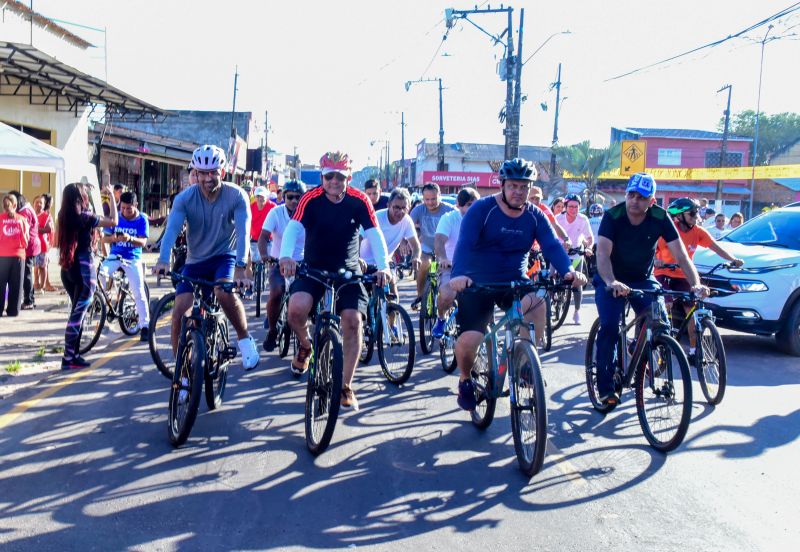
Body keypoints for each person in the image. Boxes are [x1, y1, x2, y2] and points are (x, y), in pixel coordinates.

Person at [449, 158, 586, 411]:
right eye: (513, 186)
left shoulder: (535, 216)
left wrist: (568, 271)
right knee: (470, 340)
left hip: (514, 281)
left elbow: (552, 245)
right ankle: (465, 378)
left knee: (537, 302)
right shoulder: (482, 209)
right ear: (502, 185)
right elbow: (464, 244)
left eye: (524, 187)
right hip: (477, 282)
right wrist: (458, 274)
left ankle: (525, 364)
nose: (518, 192)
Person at [279, 151, 391, 410]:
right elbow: (294, 228)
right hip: (314, 268)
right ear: (322, 176)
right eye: (329, 176)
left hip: (348, 271)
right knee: (295, 310)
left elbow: (375, 235)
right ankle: (306, 347)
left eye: (339, 177)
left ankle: (345, 385)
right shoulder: (310, 198)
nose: (333, 181)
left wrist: (384, 267)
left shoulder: (359, 200)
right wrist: (286, 257)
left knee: (352, 322)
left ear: (348, 177)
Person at [594, 173, 709, 406]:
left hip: (643, 279)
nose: (635, 201)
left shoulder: (660, 217)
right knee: (609, 325)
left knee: (661, 322)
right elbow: (602, 254)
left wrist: (695, 283)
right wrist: (611, 281)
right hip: (611, 277)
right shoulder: (612, 216)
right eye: (631, 195)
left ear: (652, 201)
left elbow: (681, 255)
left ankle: (643, 354)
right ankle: (605, 387)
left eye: (641, 197)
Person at [153, 144, 260, 371]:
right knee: (179, 312)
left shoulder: (237, 196)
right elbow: (172, 229)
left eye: (213, 172)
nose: (208, 178)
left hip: (225, 257)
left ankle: (244, 339)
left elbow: (243, 232)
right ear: (196, 173)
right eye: (202, 173)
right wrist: (163, 259)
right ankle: (181, 371)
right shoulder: (184, 198)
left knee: (223, 292)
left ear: (222, 171)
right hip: (196, 261)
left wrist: (241, 268)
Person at [655, 198, 743, 358]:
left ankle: (694, 350)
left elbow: (716, 247)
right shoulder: (668, 230)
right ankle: (663, 341)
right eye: (693, 214)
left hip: (684, 274)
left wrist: (732, 260)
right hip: (663, 273)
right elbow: (651, 250)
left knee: (692, 310)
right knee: (665, 304)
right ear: (679, 216)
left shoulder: (698, 232)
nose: (697, 217)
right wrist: (656, 261)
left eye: (697, 213)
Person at [57, 182, 118, 369]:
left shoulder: (63, 215)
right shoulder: (85, 217)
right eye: (84, 195)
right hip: (84, 270)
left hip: (67, 269)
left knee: (77, 313)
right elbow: (113, 221)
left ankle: (73, 355)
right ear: (79, 199)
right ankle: (68, 358)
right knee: (78, 315)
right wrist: (112, 198)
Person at [259, 179, 306, 352]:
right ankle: (272, 330)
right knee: (277, 292)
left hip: (302, 264)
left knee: (307, 300)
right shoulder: (275, 213)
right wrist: (264, 255)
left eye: (298, 197)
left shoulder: (309, 214)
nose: (294, 201)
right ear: (283, 197)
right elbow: (263, 237)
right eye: (290, 197)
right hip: (278, 262)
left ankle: (307, 338)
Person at [100, 191, 151, 341]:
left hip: (132, 258)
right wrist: (113, 239)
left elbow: (143, 242)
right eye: (122, 208)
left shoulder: (142, 219)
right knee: (100, 274)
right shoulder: (117, 218)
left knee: (139, 291)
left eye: (128, 208)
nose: (124, 211)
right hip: (115, 256)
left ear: (136, 205)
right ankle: (105, 300)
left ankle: (145, 326)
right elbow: (104, 240)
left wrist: (130, 238)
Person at [431, 186, 480, 338]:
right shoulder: (449, 218)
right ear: (459, 205)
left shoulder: (483, 219)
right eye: (469, 205)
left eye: (476, 204)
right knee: (446, 294)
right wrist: (443, 258)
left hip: (475, 268)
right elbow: (439, 241)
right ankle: (441, 319)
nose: (473, 208)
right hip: (451, 266)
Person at [360, 187, 421, 298]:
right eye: (396, 207)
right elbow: (358, 237)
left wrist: (416, 257)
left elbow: (415, 244)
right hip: (365, 263)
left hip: (385, 263)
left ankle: (390, 312)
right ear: (388, 205)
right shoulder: (377, 217)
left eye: (404, 208)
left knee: (393, 294)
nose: (400, 212)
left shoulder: (407, 221)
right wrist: (357, 258)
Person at [410, 182, 453, 308]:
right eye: (427, 199)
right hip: (427, 246)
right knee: (424, 264)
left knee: (444, 272)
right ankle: (420, 295)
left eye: (433, 199)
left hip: (445, 248)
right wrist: (405, 242)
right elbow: (407, 225)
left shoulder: (449, 210)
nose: (430, 202)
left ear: (439, 195)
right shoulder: (419, 209)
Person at [555, 193, 594, 324]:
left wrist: (589, 247)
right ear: (565, 206)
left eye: (576, 207)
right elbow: (550, 235)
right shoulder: (558, 219)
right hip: (559, 253)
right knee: (550, 278)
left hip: (576, 254)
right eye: (570, 206)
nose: (573, 209)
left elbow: (589, 238)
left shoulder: (583, 219)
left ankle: (576, 311)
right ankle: (548, 306)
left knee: (577, 284)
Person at [9, 191, 40, 310]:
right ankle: (30, 298)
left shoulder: (24, 212)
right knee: (28, 273)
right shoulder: (27, 209)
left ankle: (29, 301)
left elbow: (22, 230)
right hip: (31, 245)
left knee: (27, 273)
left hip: (28, 246)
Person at [0, 193, 29, 317]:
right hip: (18, 256)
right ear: (15, 205)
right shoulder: (22, 220)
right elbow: (26, 241)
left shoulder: (0, 219)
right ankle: (13, 310)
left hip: (2, 256)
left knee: (0, 284)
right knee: (16, 285)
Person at [33, 194, 55, 293]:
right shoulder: (31, 214)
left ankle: (42, 286)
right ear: (33, 204)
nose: (38, 204)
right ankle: (36, 284)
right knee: (35, 266)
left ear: (44, 205)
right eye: (36, 202)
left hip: (42, 245)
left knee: (43, 266)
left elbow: (49, 229)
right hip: (33, 246)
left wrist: (37, 229)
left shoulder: (46, 215)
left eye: (41, 203)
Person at [249, 185, 276, 265]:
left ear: (266, 197)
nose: (260, 198)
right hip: (254, 238)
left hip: (268, 239)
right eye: (258, 196)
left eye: (262, 196)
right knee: (253, 261)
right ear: (255, 197)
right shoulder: (251, 207)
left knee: (270, 261)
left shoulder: (273, 207)